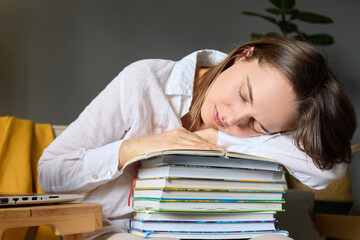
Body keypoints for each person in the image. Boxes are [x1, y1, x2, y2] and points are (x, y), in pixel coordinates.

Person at [38, 37, 357, 240]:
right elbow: (50, 173)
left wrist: (223, 137)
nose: (232, 118)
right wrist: (133, 148)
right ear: (243, 54)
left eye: (257, 124)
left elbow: (329, 169)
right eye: (243, 95)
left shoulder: (248, 126)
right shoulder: (144, 82)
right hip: (111, 232)